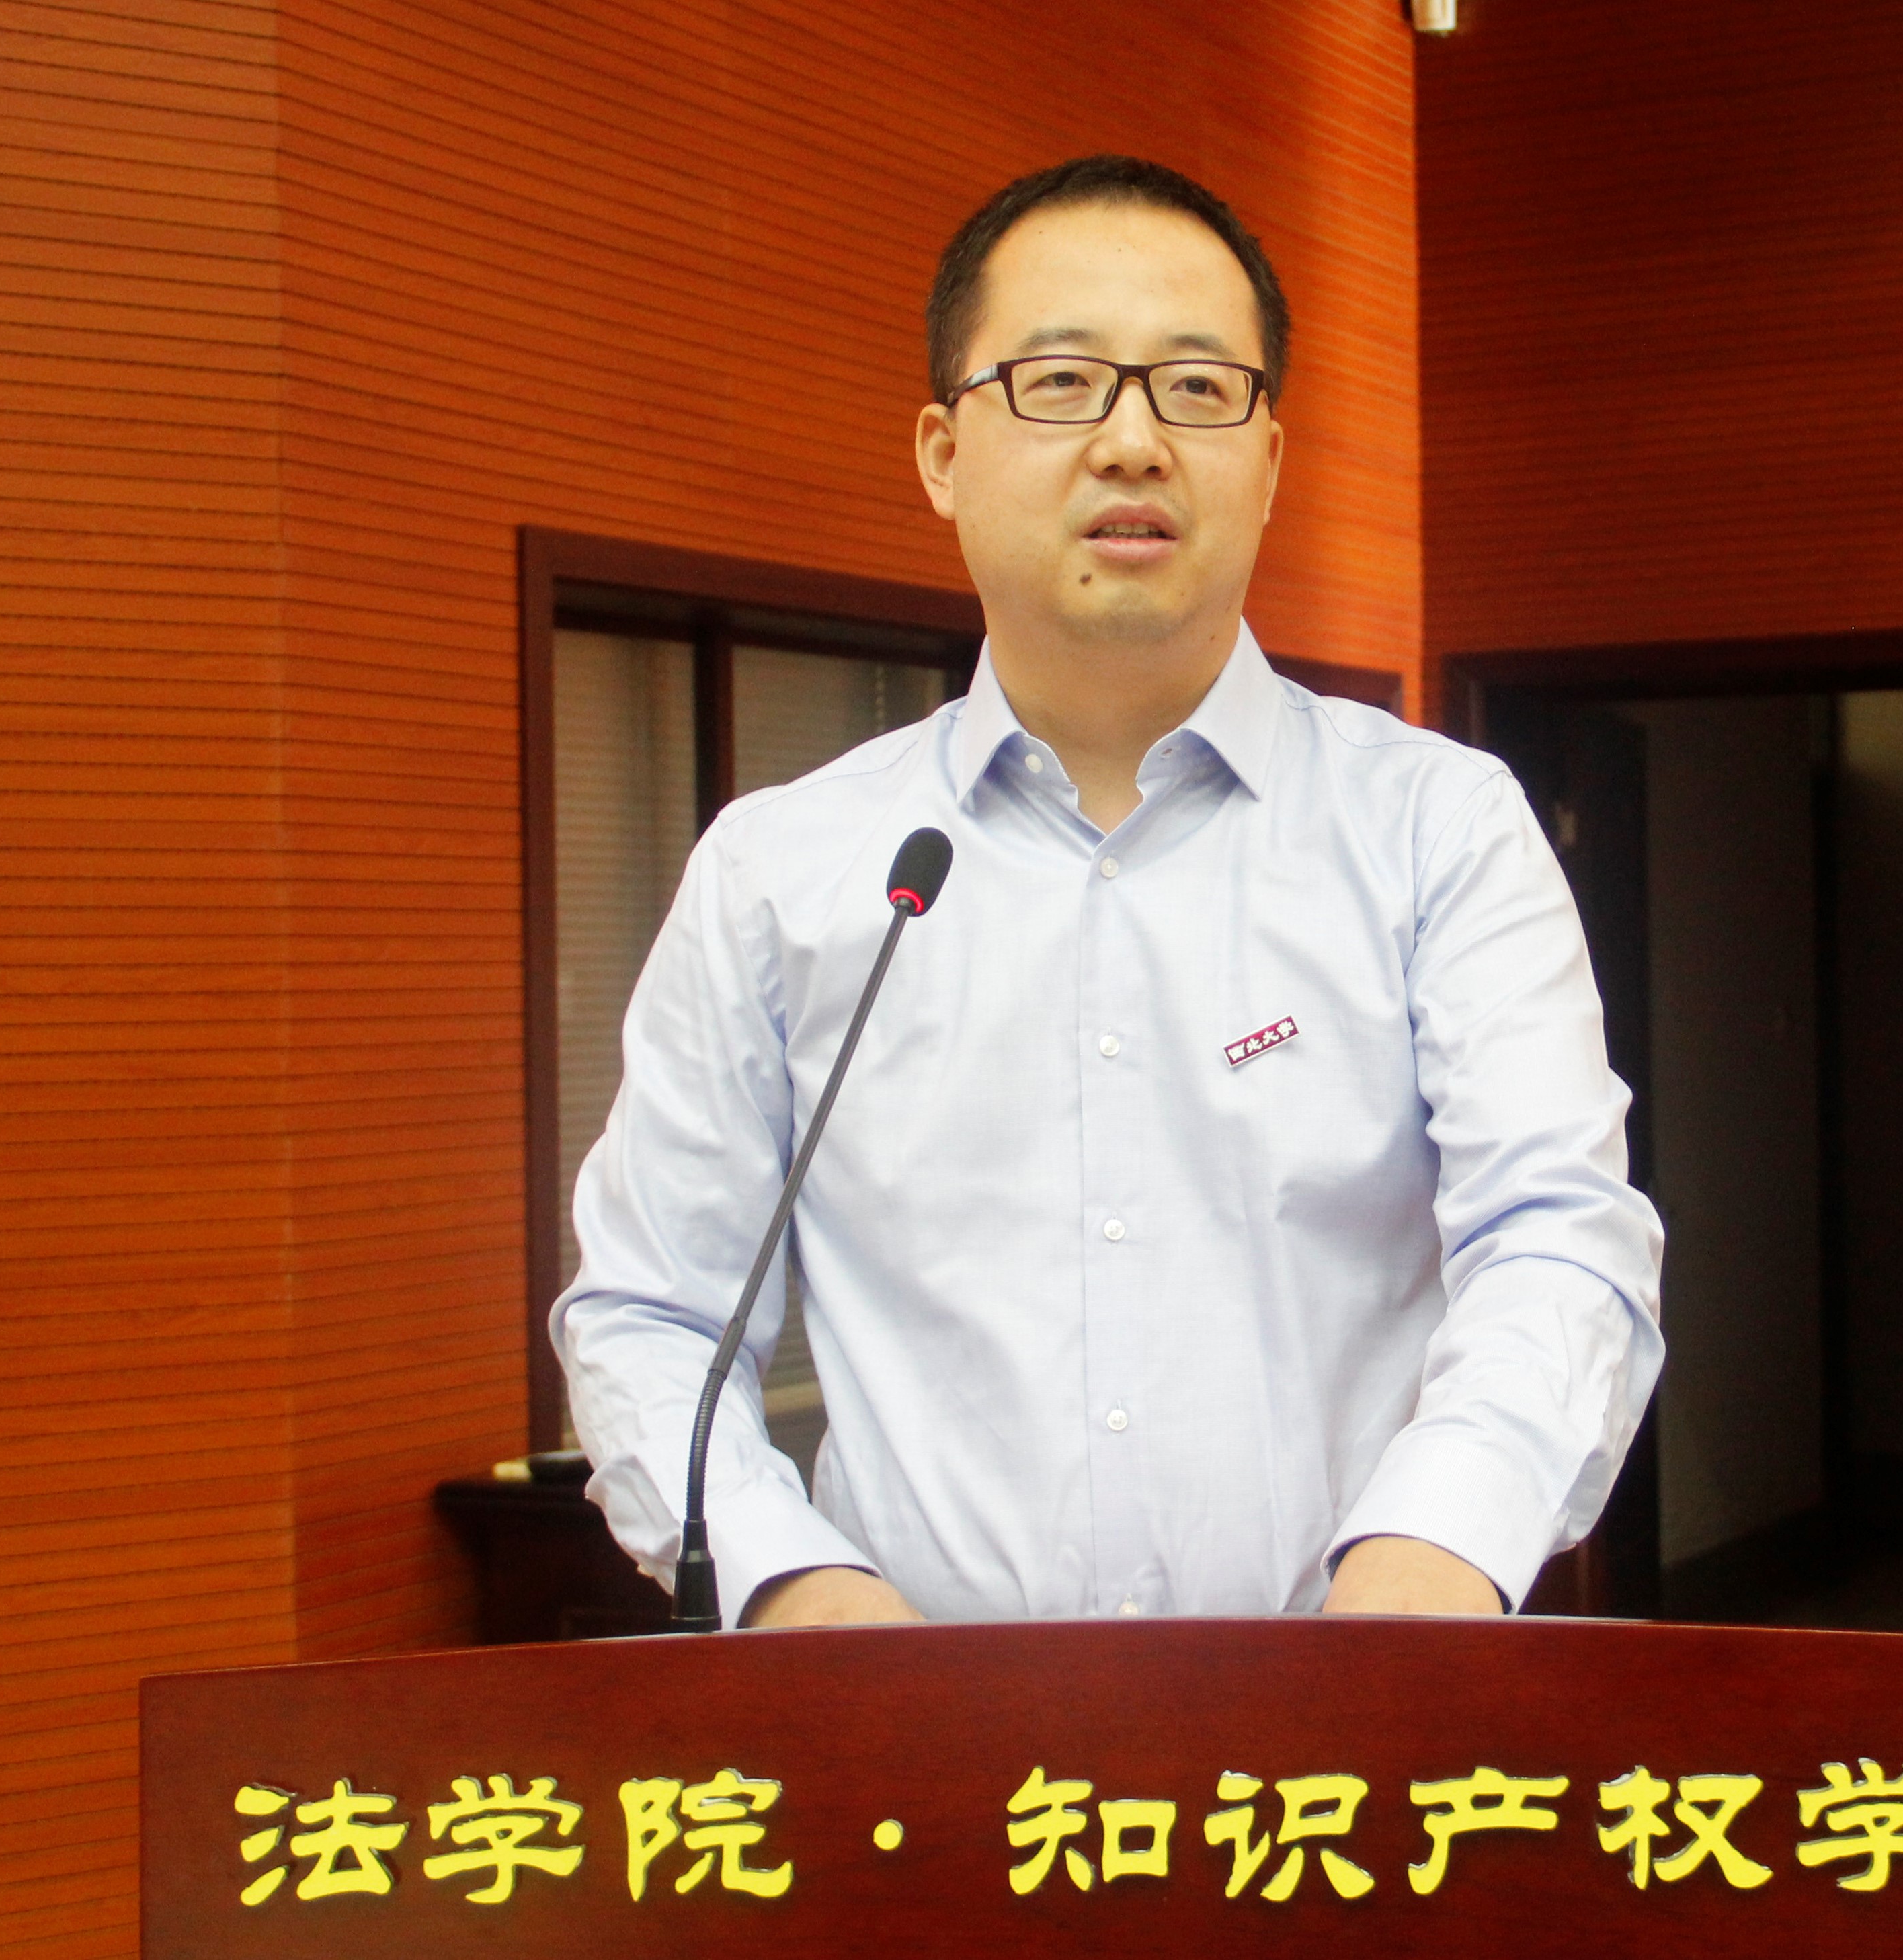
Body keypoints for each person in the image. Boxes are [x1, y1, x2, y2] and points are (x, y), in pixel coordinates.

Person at [554, 155, 1663, 1629]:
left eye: (1197, 389)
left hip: (1359, 1720)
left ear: (1269, 461)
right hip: (913, 1736)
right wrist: (799, 1597)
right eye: (1061, 382)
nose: (1132, 443)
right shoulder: (784, 874)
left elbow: (1557, 1238)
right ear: (943, 453)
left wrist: (1429, 1562)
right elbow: (651, 1313)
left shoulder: (1436, 832)